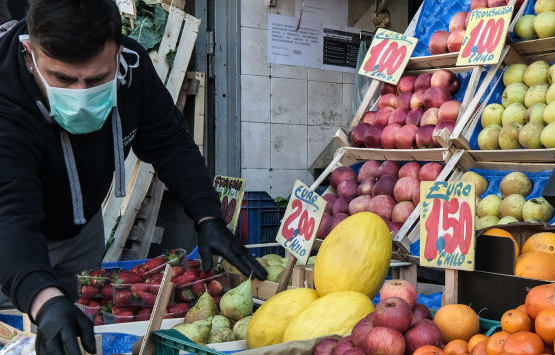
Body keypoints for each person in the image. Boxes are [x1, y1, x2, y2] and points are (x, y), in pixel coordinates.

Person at [0, 0, 267, 354]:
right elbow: (9, 214)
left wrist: (207, 215)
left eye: (96, 80)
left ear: (118, 53)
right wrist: (44, 301)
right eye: (62, 79)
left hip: (81, 231)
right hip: (9, 242)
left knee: (75, 339)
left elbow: (171, 143)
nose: (80, 95)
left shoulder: (134, 70)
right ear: (29, 52)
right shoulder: (5, 98)